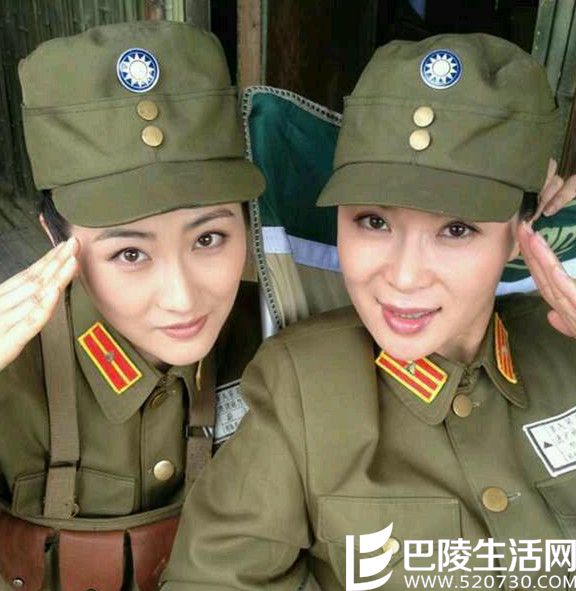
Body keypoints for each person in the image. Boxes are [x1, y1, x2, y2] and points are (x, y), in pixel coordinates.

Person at [161, 34, 576, 590]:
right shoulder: (301, 387)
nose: (404, 277)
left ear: (522, 231)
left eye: (456, 229)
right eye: (374, 222)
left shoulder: (565, 346)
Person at [0, 20, 265, 591]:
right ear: (54, 237)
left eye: (209, 238)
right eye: (129, 254)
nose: (182, 298)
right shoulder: (11, 372)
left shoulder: (275, 346)